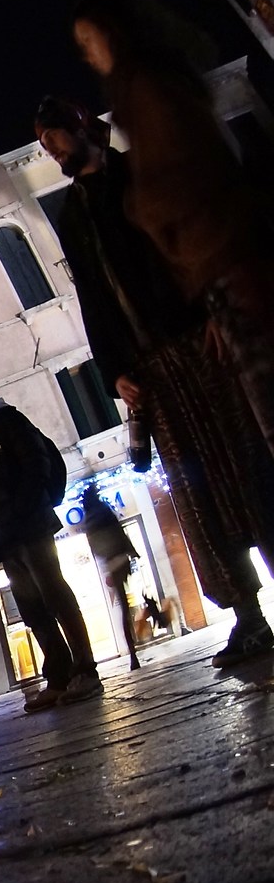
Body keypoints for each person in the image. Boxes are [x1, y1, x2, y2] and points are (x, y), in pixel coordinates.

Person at [37, 93, 274, 666]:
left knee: (247, 469)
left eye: (56, 137)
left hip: (199, 340)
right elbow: (92, 298)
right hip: (150, 368)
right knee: (196, 496)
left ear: (84, 126)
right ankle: (247, 616)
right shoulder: (73, 216)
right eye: (44, 145)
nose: (53, 150)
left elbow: (188, 244)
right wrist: (115, 372)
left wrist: (215, 306)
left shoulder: (141, 175)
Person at [72, 0, 274, 465]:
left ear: (111, 31)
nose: (86, 55)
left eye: (87, 41)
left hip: (230, 269)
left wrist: (141, 206)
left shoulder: (147, 88)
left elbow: (184, 181)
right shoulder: (148, 90)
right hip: (219, 274)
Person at [0, 368, 100, 710]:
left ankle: (85, 670)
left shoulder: (10, 423)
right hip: (8, 535)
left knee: (55, 595)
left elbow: (38, 466)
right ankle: (59, 675)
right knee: (31, 607)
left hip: (30, 527)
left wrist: (23, 510)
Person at [80, 485, 144, 671]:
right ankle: (133, 652)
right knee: (126, 606)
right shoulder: (104, 511)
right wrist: (132, 551)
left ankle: (132, 652)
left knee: (123, 607)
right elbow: (118, 532)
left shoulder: (88, 520)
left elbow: (95, 547)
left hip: (111, 564)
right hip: (121, 559)